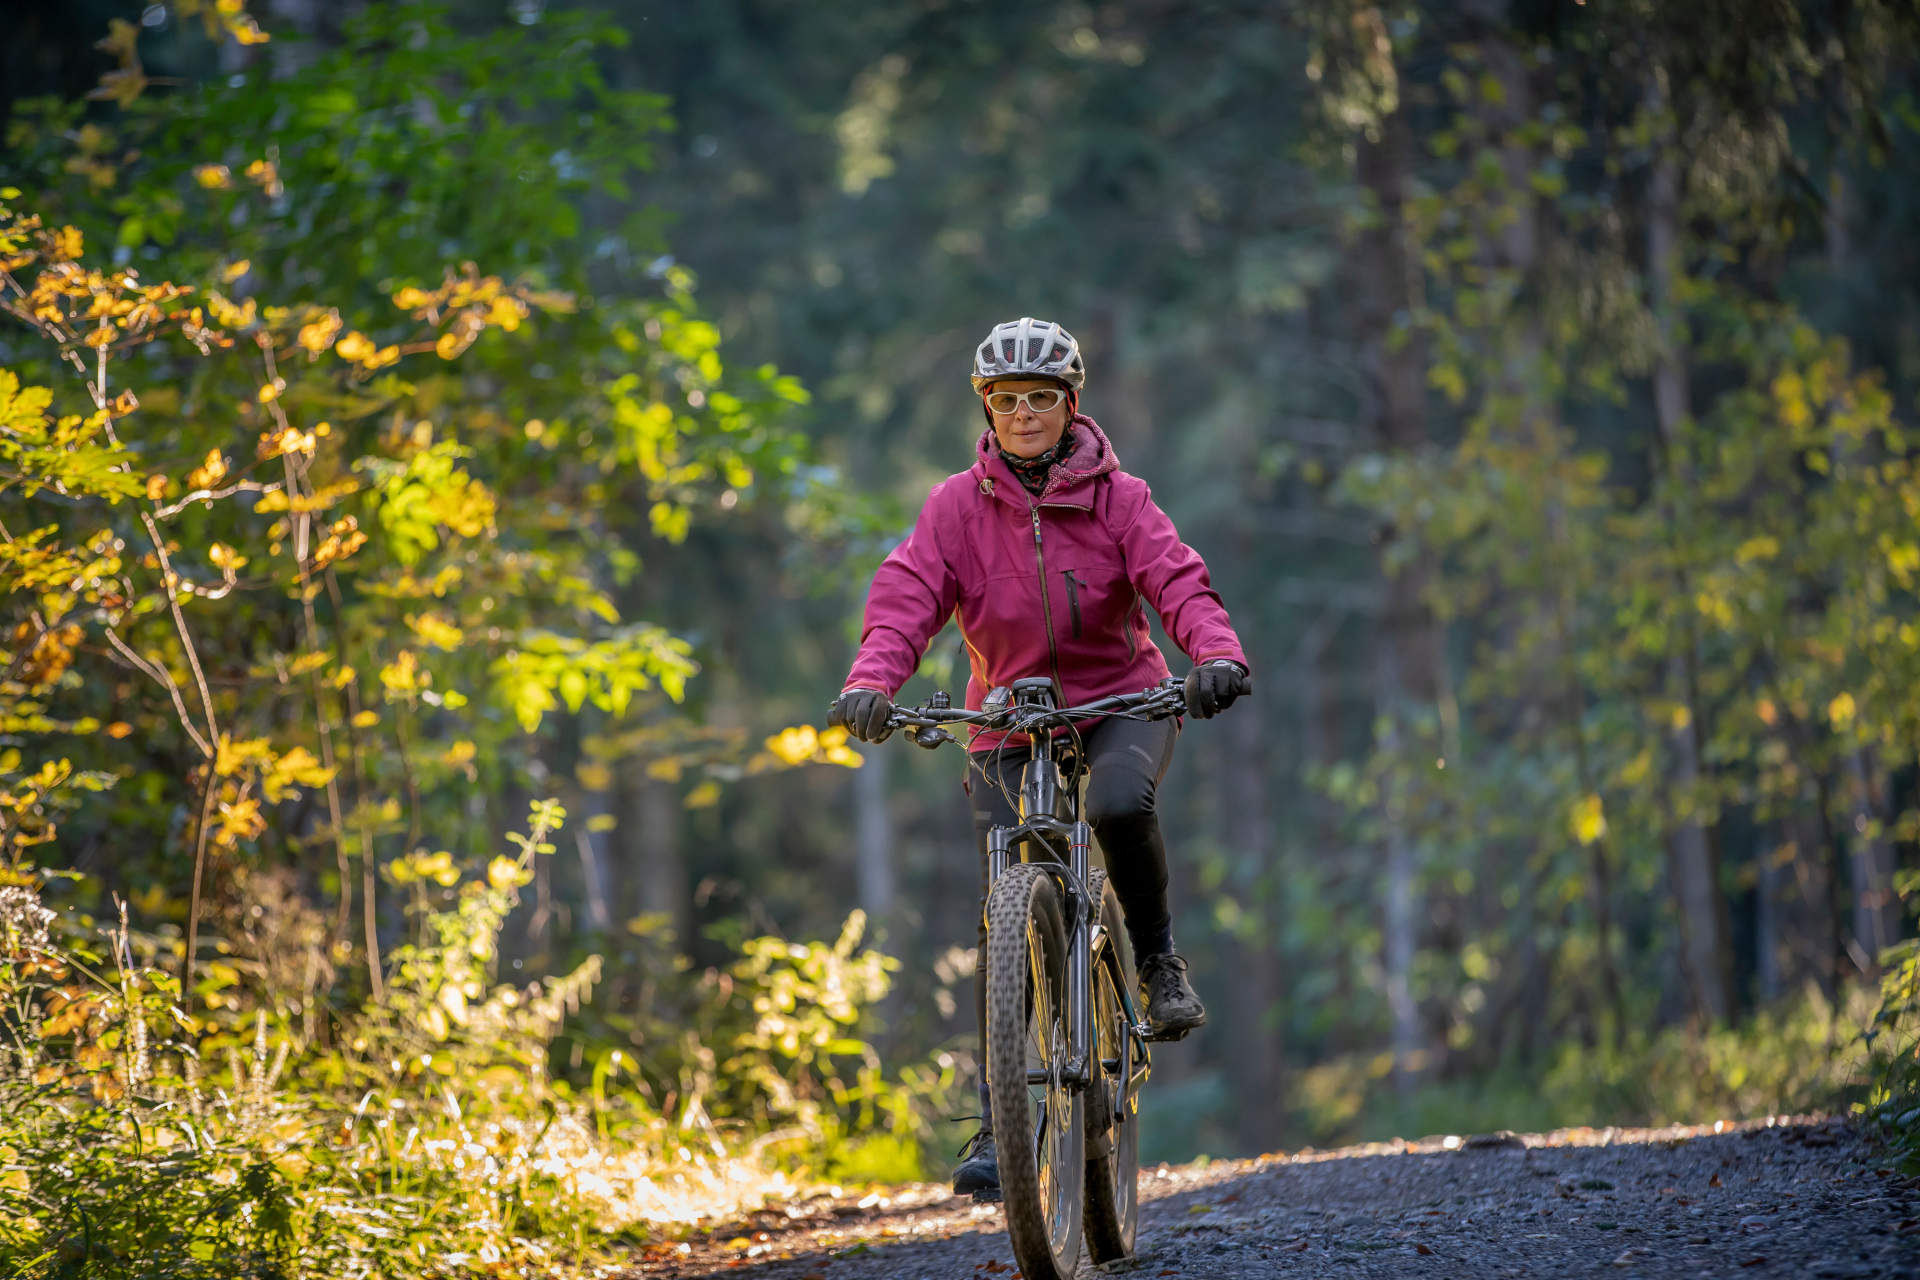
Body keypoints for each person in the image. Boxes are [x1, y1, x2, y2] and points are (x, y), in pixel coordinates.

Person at [827, 316, 1251, 1199]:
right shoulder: (955, 507)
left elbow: (1175, 578)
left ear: (1071, 405)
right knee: (1005, 907)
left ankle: (1157, 962)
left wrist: (1214, 654)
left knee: (1118, 805)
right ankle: (1002, 1123)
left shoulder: (1120, 498)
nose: (1024, 414)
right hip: (1008, 719)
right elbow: (907, 595)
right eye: (1008, 399)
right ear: (986, 408)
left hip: (1121, 703)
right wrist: (871, 680)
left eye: (1042, 398)